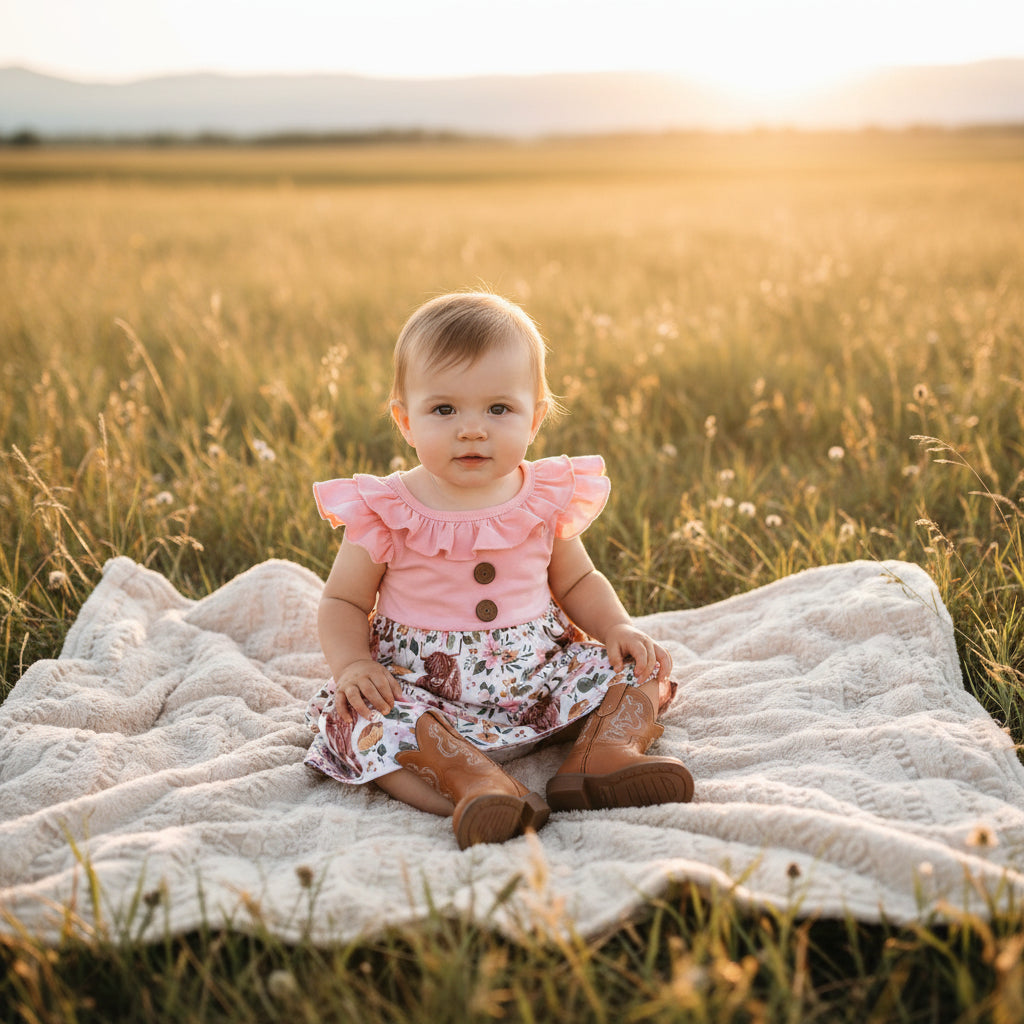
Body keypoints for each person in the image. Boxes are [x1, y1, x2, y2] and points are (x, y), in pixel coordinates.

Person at [305, 291, 693, 849]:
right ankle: (477, 787)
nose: (472, 429)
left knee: (644, 667)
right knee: (354, 721)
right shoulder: (387, 507)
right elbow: (342, 601)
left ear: (534, 418)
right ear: (405, 421)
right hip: (424, 695)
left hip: (538, 677)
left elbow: (579, 581)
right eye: (444, 410)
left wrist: (617, 629)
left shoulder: (543, 497)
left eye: (498, 409)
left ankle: (601, 758)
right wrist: (352, 667)